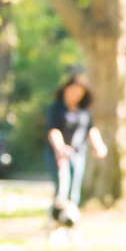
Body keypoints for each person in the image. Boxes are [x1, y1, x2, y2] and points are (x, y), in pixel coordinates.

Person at [45, 74, 107, 234]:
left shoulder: (84, 111)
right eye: (73, 90)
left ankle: (71, 228)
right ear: (65, 89)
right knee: (61, 192)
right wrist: (59, 149)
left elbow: (90, 129)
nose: (75, 95)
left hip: (77, 154)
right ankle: (53, 225)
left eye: (79, 92)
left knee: (74, 194)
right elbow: (53, 130)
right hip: (58, 155)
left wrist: (98, 145)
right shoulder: (56, 108)